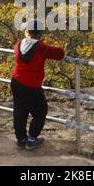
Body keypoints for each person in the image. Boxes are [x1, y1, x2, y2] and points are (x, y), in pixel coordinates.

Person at [11, 19, 65, 150]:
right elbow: (60, 54)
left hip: (16, 81)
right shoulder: (41, 47)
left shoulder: (18, 44)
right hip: (31, 86)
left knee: (20, 111)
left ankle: (21, 139)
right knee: (41, 112)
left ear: (27, 32)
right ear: (40, 34)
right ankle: (31, 139)